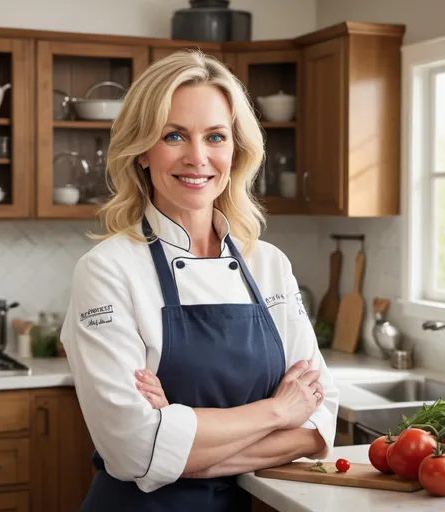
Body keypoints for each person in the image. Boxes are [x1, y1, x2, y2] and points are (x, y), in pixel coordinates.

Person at [60, 49, 340, 512]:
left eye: (215, 136)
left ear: (236, 150)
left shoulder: (269, 265)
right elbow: (132, 448)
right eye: (173, 135)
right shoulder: (107, 269)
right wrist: (276, 412)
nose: (197, 157)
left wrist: (179, 437)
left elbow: (319, 421)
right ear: (143, 152)